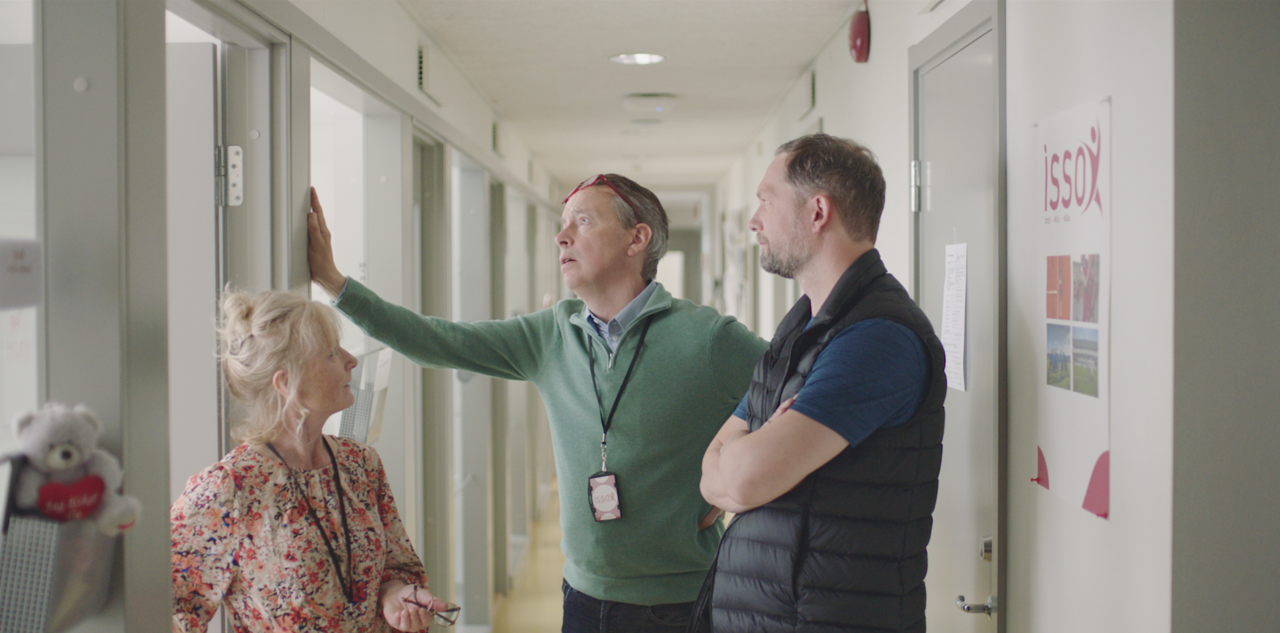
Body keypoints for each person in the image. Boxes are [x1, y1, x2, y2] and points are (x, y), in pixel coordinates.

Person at [308, 174, 767, 633]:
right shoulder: (551, 334)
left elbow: (795, 397)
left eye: (583, 221)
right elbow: (436, 341)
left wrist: (736, 476)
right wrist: (335, 284)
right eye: (563, 224)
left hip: (680, 603)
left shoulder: (709, 339)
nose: (561, 237)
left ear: (637, 239)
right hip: (581, 597)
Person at [696, 134, 947, 632]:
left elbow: (740, 479)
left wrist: (746, 459)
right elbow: (710, 478)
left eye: (767, 200)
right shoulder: (800, 329)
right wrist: (749, 455)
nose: (754, 220)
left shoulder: (878, 338)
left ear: (817, 212)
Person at [171, 290, 455, 633]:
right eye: (332, 353)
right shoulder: (230, 489)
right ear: (287, 383)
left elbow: (396, 568)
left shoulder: (361, 464)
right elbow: (168, 609)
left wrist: (394, 593)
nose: (351, 360)